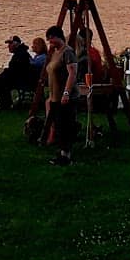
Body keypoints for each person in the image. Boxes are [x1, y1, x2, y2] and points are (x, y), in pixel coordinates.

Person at [43, 25, 78, 166]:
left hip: (65, 97)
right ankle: (61, 151)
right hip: (54, 96)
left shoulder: (67, 52)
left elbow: (72, 73)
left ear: (58, 37)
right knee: (58, 125)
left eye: (51, 39)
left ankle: (66, 155)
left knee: (66, 125)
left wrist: (66, 93)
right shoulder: (54, 52)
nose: (50, 42)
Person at [0, 35, 37, 111]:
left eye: (10, 44)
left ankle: (4, 105)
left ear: (16, 44)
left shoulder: (20, 55)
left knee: (1, 81)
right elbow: (13, 70)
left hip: (23, 80)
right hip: (23, 78)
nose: (8, 46)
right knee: (2, 78)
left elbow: (13, 71)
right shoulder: (21, 53)